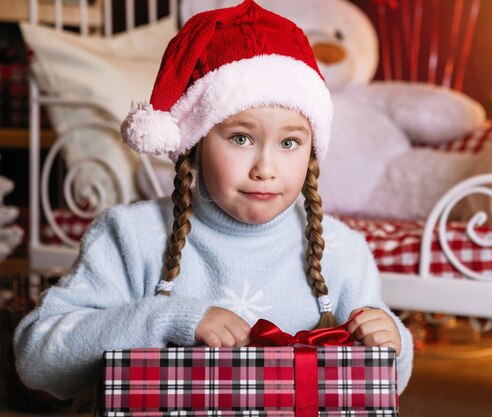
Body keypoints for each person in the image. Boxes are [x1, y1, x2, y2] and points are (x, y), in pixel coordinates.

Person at [14, 0, 413, 400]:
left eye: (290, 142)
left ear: (312, 149)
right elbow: (36, 358)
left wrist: (392, 342)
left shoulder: (342, 250)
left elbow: (384, 385)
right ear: (196, 141)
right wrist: (167, 319)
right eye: (241, 138)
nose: (265, 168)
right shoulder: (131, 236)